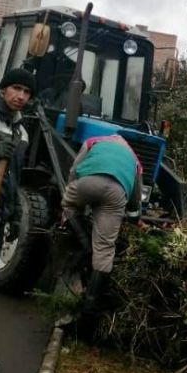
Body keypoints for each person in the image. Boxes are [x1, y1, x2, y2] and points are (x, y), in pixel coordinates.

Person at [0, 68, 35, 371]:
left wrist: (15, 211)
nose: (21, 96)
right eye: (16, 89)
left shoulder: (22, 132)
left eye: (27, 93)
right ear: (3, 89)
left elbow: (15, 176)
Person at [62, 133, 143, 311]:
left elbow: (74, 170)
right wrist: (134, 216)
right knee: (105, 249)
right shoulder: (133, 159)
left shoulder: (93, 142)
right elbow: (136, 197)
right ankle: (89, 309)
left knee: (69, 206)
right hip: (116, 192)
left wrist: (71, 190)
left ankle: (84, 244)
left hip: (87, 183)